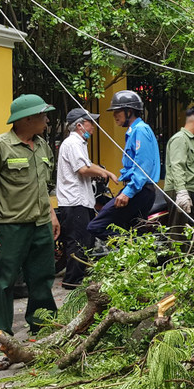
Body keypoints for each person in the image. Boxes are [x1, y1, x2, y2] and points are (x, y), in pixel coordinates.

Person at [0, 95, 60, 349]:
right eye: (43, 115)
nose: (47, 120)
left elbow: (45, 186)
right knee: (4, 281)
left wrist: (52, 214)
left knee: (43, 276)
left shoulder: (43, 146)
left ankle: (43, 324)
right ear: (27, 118)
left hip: (40, 224)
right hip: (10, 226)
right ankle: (0, 332)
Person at [56, 108, 117, 290]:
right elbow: (83, 169)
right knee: (78, 242)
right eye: (91, 122)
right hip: (74, 201)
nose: (94, 127)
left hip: (82, 200)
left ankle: (77, 278)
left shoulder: (79, 144)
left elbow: (87, 166)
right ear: (80, 125)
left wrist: (101, 172)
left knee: (86, 240)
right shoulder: (73, 143)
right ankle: (72, 281)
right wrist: (106, 172)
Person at [87, 90, 160, 239]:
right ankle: (135, 254)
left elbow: (143, 166)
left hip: (139, 191)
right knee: (135, 233)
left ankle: (128, 246)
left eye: (117, 111)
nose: (114, 116)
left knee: (96, 226)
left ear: (129, 111)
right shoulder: (134, 131)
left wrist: (128, 192)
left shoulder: (140, 130)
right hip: (139, 189)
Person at [163, 107, 194, 230]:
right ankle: (174, 250)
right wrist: (181, 192)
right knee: (179, 233)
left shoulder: (190, 139)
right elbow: (177, 166)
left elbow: (188, 167)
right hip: (178, 190)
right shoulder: (180, 139)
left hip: (187, 189)